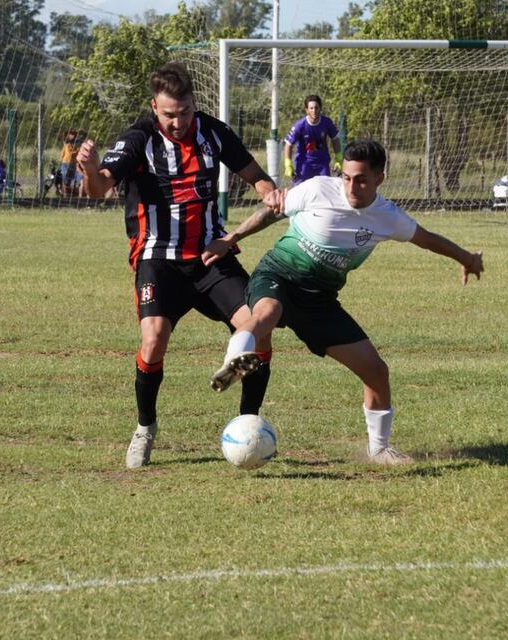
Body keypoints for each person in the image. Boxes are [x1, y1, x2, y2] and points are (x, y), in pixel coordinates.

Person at [203, 140, 484, 465]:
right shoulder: (319, 188)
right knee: (268, 311)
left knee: (376, 371)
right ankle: (234, 358)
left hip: (319, 300)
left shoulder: (387, 217)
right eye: (347, 177)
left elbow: (427, 239)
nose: (352, 186)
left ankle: (378, 449)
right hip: (278, 273)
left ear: (380, 178)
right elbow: (273, 211)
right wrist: (231, 238)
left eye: (361, 179)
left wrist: (466, 258)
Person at [76, 61, 286, 469]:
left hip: (209, 256)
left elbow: (255, 174)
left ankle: (248, 423)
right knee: (153, 339)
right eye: (169, 114)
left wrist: (267, 191)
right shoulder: (138, 139)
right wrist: (88, 168)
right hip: (158, 260)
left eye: (185, 112)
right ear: (155, 107)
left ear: (194, 105)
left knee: (259, 329)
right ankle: (144, 428)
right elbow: (99, 187)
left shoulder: (212, 131)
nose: (178, 122)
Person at [283, 95, 341, 185]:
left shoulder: (327, 123)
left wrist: (339, 159)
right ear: (306, 110)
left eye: (316, 108)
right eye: (311, 108)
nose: (314, 111)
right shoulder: (300, 125)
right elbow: (288, 144)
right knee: (302, 193)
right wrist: (288, 164)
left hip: (322, 163)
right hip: (304, 164)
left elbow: (335, 139)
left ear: (320, 108)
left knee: (324, 191)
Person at [60, 130, 79, 197]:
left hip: (73, 164)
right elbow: (70, 154)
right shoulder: (67, 145)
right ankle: (65, 195)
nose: (72, 136)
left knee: (71, 180)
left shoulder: (76, 146)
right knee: (65, 180)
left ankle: (69, 194)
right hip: (66, 163)